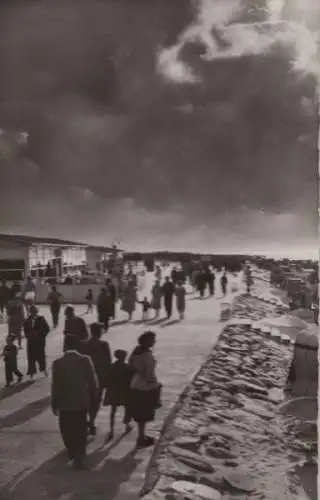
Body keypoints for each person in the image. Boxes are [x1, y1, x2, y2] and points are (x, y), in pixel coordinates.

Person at [51, 335, 98, 469]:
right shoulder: (85, 360)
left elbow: (55, 385)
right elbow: (92, 381)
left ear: (64, 346)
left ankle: (72, 451)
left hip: (65, 402)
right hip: (81, 401)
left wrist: (54, 403)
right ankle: (79, 454)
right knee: (81, 428)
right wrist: (94, 397)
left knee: (66, 429)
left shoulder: (58, 363)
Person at [128, 331, 161, 448]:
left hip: (135, 383)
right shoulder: (147, 355)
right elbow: (149, 374)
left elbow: (130, 365)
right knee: (145, 413)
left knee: (139, 414)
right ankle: (141, 438)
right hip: (145, 387)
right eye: (153, 340)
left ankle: (141, 436)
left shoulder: (136, 351)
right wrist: (155, 384)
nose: (154, 342)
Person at [81, 323, 111, 436]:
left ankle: (85, 421)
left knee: (85, 400)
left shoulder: (83, 345)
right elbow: (108, 362)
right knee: (96, 401)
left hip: (85, 377)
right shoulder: (104, 345)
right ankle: (91, 421)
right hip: (100, 377)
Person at [104, 349, 133, 441]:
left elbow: (107, 378)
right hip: (124, 390)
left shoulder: (112, 366)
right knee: (127, 408)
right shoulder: (127, 367)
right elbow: (130, 379)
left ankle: (112, 429)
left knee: (113, 411)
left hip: (114, 391)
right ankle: (127, 425)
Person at [24, 305, 50, 378]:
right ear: (30, 312)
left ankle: (44, 369)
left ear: (37, 312)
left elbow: (47, 329)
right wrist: (28, 335)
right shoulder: (27, 320)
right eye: (31, 311)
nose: (33, 313)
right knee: (31, 357)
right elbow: (25, 330)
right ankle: (32, 372)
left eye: (34, 311)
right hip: (31, 341)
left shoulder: (41, 319)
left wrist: (39, 333)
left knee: (41, 356)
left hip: (40, 342)